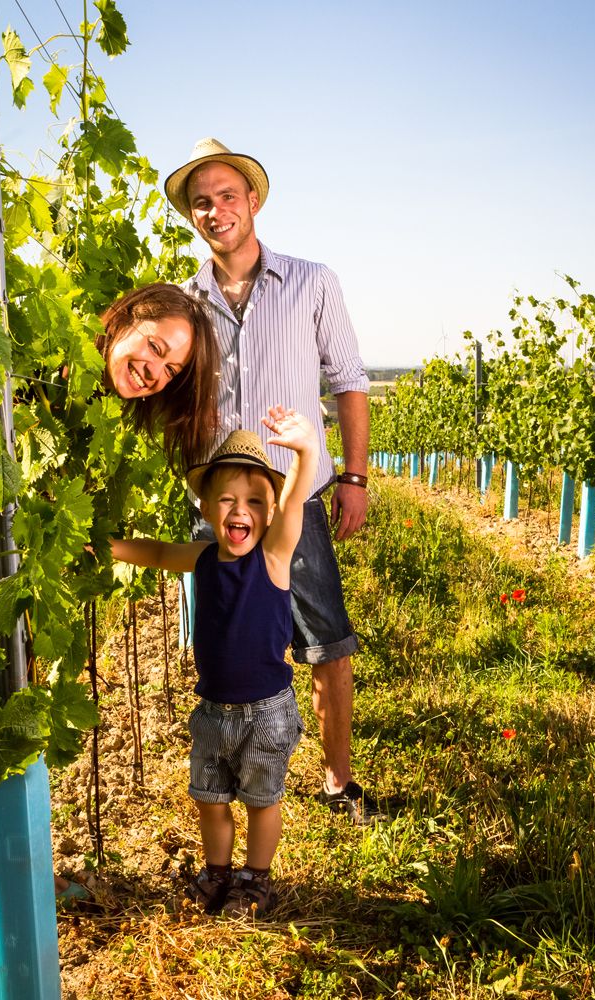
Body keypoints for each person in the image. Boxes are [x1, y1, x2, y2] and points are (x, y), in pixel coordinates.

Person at [0, 281, 220, 928]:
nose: (155, 371)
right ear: (128, 318)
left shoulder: (103, 409)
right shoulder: (45, 367)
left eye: (172, 368)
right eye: (155, 347)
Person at [163, 137, 377, 824]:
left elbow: (348, 383)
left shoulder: (313, 282)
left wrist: (353, 476)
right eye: (202, 202)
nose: (216, 209)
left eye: (228, 195)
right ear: (192, 217)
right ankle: (233, 787)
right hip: (218, 508)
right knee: (227, 649)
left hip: (295, 497)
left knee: (325, 641)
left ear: (252, 201)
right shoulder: (185, 304)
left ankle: (338, 780)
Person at [108, 408, 316, 918]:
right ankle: (218, 872)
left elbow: (293, 503)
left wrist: (307, 451)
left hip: (266, 713)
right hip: (213, 713)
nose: (238, 510)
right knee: (210, 797)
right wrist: (108, 546)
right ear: (205, 506)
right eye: (226, 500)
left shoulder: (273, 556)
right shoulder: (202, 558)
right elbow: (157, 552)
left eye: (252, 502)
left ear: (268, 514)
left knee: (262, 801)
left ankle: (256, 879)